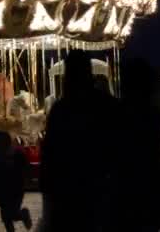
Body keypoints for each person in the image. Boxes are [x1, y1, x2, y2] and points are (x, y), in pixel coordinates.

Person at [39, 50, 119, 232]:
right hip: (99, 188)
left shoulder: (61, 109)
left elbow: (50, 156)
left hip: (69, 192)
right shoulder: (108, 105)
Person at [110, 58, 160, 231]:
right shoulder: (152, 113)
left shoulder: (117, 112)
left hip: (124, 194)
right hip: (147, 192)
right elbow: (157, 155)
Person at [0, 130, 32, 231]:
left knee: (12, 214)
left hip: (15, 190)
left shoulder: (16, 154)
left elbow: (26, 167)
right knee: (6, 218)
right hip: (1, 192)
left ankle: (23, 214)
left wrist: (28, 179)